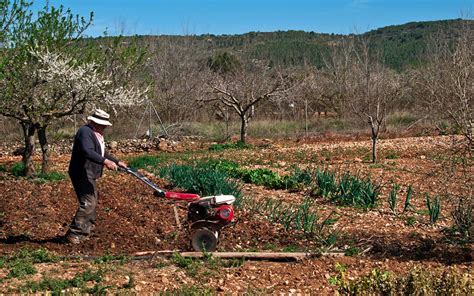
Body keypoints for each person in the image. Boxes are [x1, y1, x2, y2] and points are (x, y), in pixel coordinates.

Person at [65, 109, 126, 244]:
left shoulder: (96, 134)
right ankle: (74, 233)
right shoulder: (85, 132)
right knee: (89, 202)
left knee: (92, 201)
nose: (104, 127)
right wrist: (106, 162)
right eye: (102, 124)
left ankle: (84, 232)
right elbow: (88, 151)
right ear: (94, 122)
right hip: (81, 172)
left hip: (89, 172)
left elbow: (101, 153)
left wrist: (116, 162)